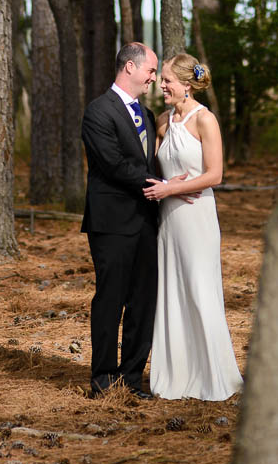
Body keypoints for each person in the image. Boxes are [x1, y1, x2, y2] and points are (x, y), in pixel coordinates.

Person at [143, 53, 243, 401]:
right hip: (168, 221)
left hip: (197, 217)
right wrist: (163, 189)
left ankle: (213, 375)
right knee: (172, 292)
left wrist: (172, 188)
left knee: (200, 291)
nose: (161, 84)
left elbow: (215, 175)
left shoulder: (205, 120)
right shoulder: (162, 122)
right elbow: (154, 172)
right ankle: (176, 374)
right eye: (161, 79)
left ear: (187, 84)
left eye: (167, 79)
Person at [81, 42, 162, 398]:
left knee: (143, 301)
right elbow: (112, 164)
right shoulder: (99, 111)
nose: (153, 78)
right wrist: (159, 185)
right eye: (151, 70)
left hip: (145, 220)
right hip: (111, 222)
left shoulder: (146, 115)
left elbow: (149, 161)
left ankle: (132, 377)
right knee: (110, 300)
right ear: (130, 67)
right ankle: (102, 378)